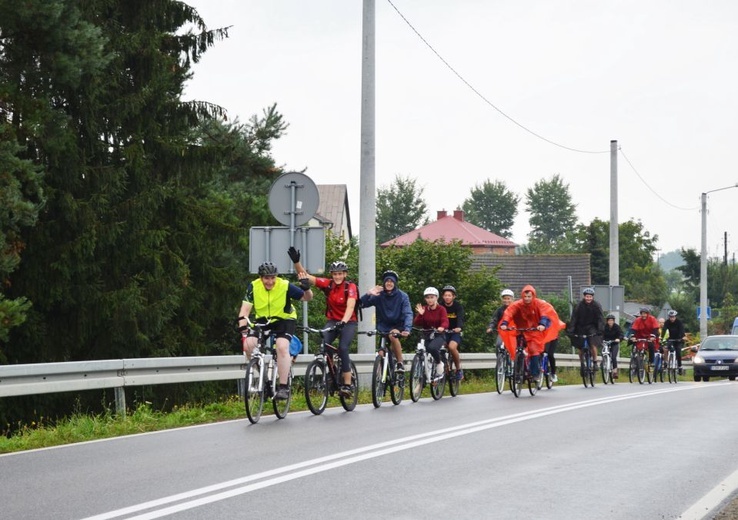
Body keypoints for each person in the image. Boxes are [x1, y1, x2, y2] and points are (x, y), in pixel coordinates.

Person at [238, 261, 313, 400]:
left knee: (281, 347)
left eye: (273, 277)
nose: (270, 281)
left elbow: (307, 298)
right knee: (248, 345)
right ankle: (263, 377)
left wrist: (306, 288)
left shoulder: (284, 285)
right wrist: (243, 328)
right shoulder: (254, 286)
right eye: (266, 278)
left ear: (276, 277)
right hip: (264, 320)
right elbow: (245, 310)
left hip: (284, 319)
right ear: (261, 278)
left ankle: (283, 387)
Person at [288, 247, 357, 397]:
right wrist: (296, 262)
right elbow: (305, 276)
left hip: (348, 322)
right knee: (324, 344)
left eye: (340, 274)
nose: (337, 276)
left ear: (345, 274)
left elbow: (351, 306)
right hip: (333, 320)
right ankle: (332, 374)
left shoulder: (350, 287)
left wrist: (344, 321)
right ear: (331, 275)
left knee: (343, 348)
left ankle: (347, 384)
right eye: (335, 274)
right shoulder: (328, 284)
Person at [498, 285, 563, 380]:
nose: (527, 299)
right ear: (522, 296)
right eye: (525, 297)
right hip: (521, 330)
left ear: (533, 296)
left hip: (534, 331)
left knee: (534, 350)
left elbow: (544, 314)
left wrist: (542, 324)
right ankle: (518, 372)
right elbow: (509, 313)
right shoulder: (518, 304)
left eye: (529, 296)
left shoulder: (539, 304)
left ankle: (535, 373)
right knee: (518, 350)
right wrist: (504, 323)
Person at [360, 270, 413, 372]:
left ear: (395, 283)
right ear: (384, 283)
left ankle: (400, 363)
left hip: (398, 326)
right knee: (380, 354)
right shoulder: (379, 296)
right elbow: (361, 304)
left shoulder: (402, 296)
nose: (389, 283)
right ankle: (380, 381)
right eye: (387, 281)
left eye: (391, 281)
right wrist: (368, 294)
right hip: (383, 327)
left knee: (393, 335)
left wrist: (407, 328)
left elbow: (408, 313)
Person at [413, 287, 449, 379]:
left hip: (438, 335)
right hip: (427, 335)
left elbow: (445, 321)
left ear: (436, 298)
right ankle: (424, 377)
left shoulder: (441, 309)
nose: (429, 299)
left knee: (432, 348)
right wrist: (420, 315)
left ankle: (438, 363)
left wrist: (442, 327)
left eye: (432, 297)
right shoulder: (424, 309)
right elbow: (417, 323)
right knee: (422, 350)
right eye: (427, 297)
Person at [567, 287, 605, 372]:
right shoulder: (579, 306)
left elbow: (600, 318)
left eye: (590, 297)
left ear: (592, 297)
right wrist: (571, 330)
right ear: (584, 297)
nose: (588, 298)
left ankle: (595, 362)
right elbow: (574, 318)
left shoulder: (596, 305)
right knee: (580, 348)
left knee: (592, 344)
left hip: (592, 327)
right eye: (587, 296)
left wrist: (600, 329)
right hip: (580, 327)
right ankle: (582, 364)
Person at [440, 285, 465, 381]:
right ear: (443, 296)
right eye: (445, 295)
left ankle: (458, 369)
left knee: (452, 347)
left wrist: (459, 327)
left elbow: (460, 318)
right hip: (443, 331)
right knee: (439, 347)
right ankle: (442, 368)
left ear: (453, 296)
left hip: (454, 332)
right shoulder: (440, 306)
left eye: (449, 295)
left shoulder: (458, 306)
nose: (447, 297)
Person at [660, 310, 685, 374]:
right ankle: (666, 362)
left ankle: (679, 366)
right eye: (670, 317)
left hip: (678, 339)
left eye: (673, 317)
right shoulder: (667, 322)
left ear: (675, 317)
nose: (672, 318)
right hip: (670, 339)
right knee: (666, 349)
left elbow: (682, 330)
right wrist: (662, 337)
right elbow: (664, 330)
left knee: (678, 352)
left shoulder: (679, 322)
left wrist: (680, 338)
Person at [602, 314, 625, 378]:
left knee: (613, 357)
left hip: (614, 343)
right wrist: (600, 339)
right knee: (604, 353)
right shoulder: (604, 327)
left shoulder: (616, 327)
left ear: (614, 321)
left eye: (612, 320)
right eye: (609, 320)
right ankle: (604, 362)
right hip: (606, 343)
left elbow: (621, 334)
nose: (610, 322)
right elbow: (600, 334)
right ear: (607, 321)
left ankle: (615, 371)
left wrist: (619, 339)